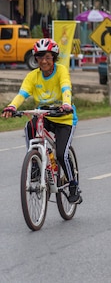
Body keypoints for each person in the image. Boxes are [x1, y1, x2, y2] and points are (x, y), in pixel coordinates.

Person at [2, 39, 81, 203]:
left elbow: (66, 88)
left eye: (48, 57)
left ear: (54, 58)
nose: (44, 61)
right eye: (40, 57)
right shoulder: (32, 76)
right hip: (44, 116)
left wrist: (66, 104)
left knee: (61, 154)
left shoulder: (61, 71)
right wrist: (11, 107)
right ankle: (35, 160)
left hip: (64, 117)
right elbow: (22, 95)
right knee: (29, 126)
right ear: (35, 58)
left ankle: (73, 184)